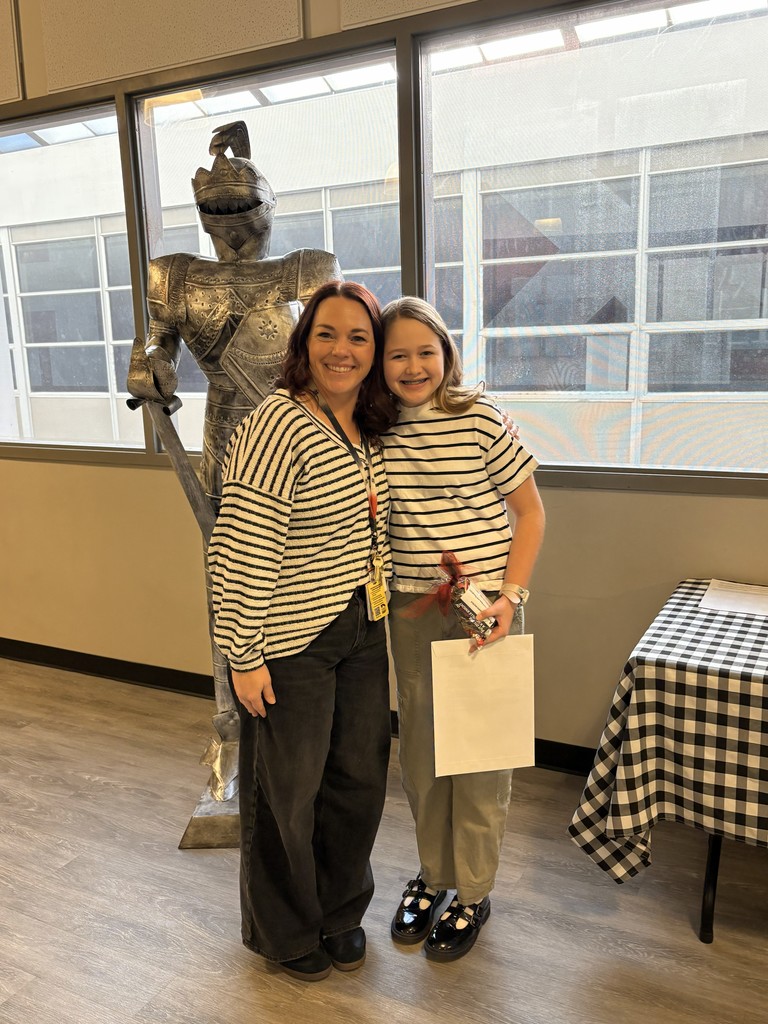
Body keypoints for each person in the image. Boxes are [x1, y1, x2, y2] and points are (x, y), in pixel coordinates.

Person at [207, 281, 397, 982]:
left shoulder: (368, 425)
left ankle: (342, 909)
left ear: (373, 351)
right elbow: (242, 546)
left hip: (363, 627)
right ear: (303, 342)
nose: (341, 350)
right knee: (287, 789)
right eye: (327, 334)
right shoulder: (277, 423)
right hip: (289, 642)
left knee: (357, 779)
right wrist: (244, 654)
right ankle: (284, 929)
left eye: (358, 337)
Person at [380, 296, 545, 962]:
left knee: (479, 753)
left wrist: (511, 596)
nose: (414, 366)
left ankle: (474, 891)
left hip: (483, 608)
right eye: (398, 354)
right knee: (421, 751)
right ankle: (433, 875)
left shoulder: (479, 416)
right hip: (409, 608)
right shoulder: (373, 424)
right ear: (380, 365)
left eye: (426, 351)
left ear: (447, 353)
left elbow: (530, 513)